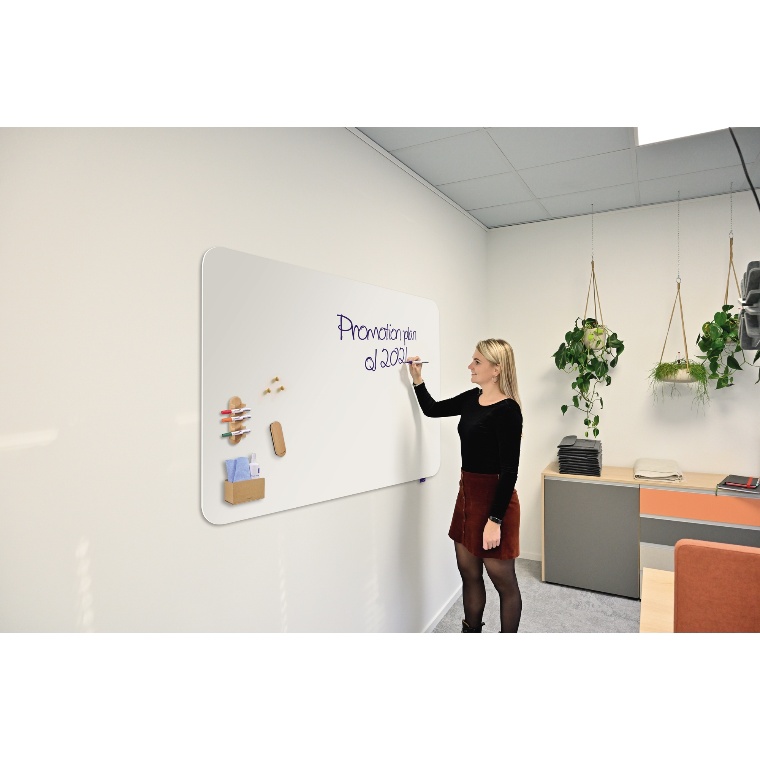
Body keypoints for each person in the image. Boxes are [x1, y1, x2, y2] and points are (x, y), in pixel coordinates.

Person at [408, 339, 523, 633]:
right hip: (468, 497)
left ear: (496, 370)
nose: (470, 366)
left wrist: (495, 520)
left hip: (496, 501)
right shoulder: (472, 398)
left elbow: (509, 471)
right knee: (469, 575)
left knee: (505, 584)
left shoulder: (508, 411)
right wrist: (418, 379)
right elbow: (432, 409)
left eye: (477, 361)